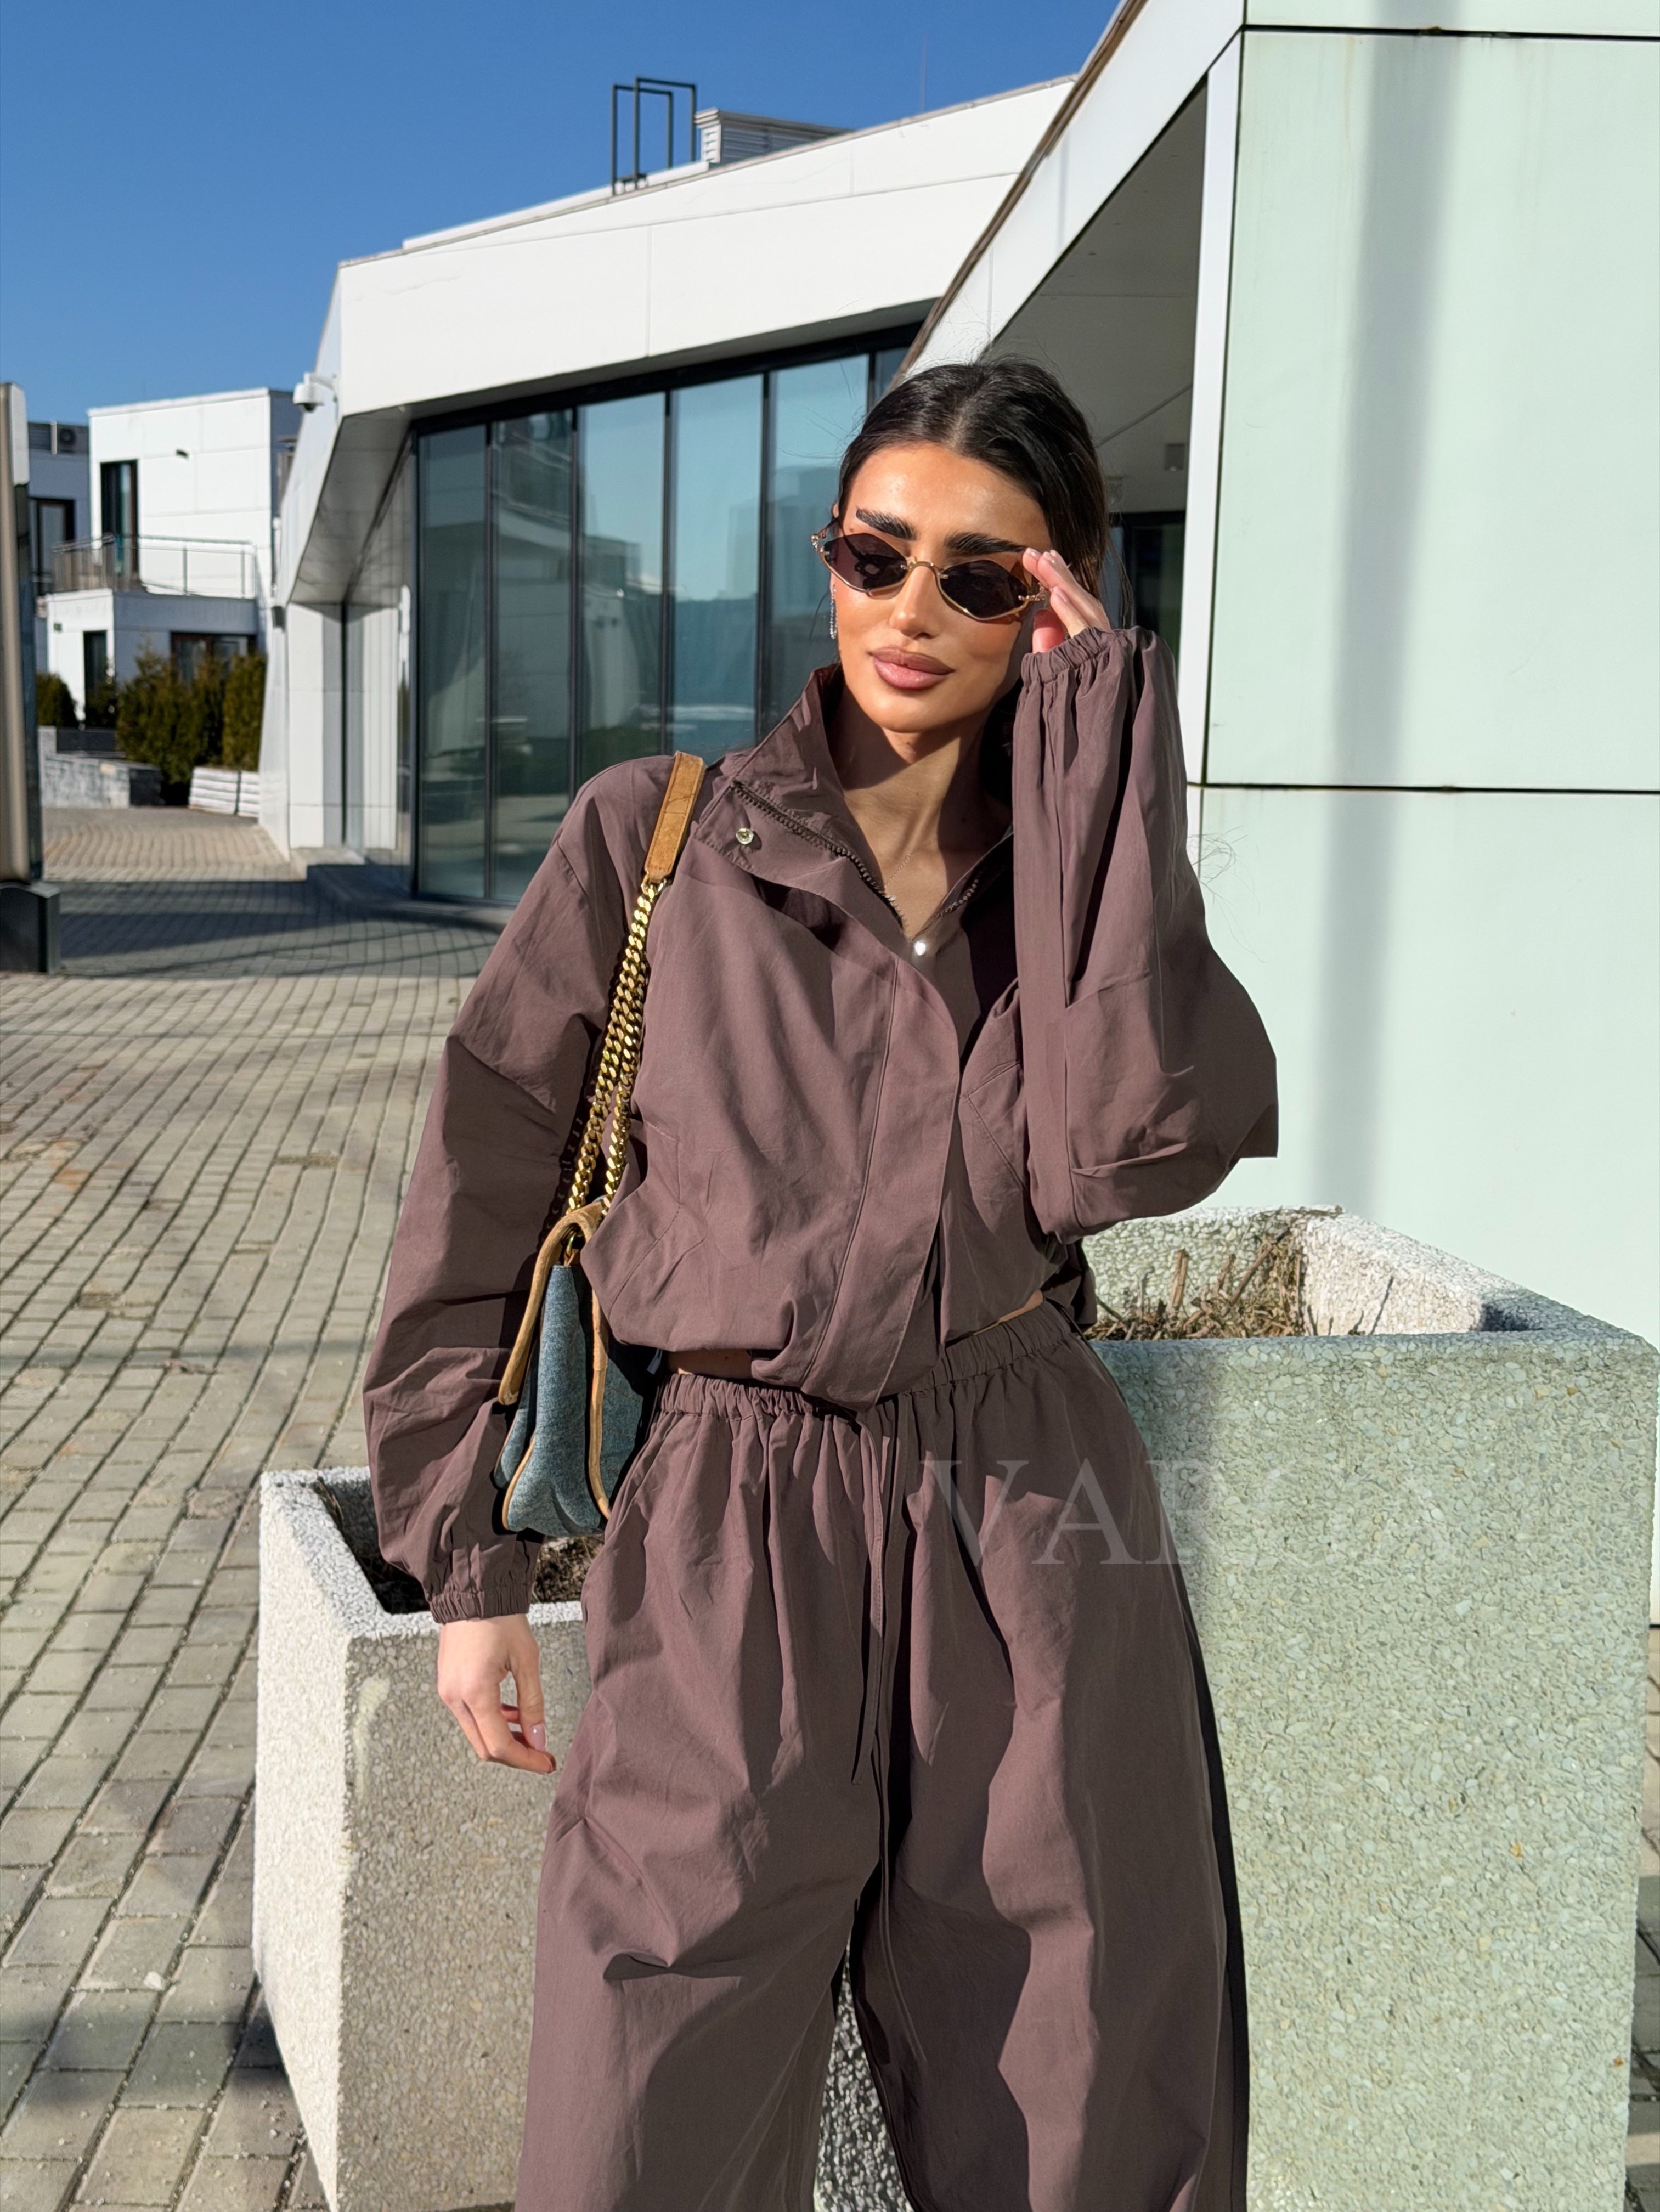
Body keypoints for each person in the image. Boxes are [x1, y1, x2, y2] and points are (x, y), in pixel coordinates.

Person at [364, 357, 1277, 2212]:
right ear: (827, 557)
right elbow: (480, 1198)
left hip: (1022, 1507)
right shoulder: (657, 837)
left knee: (1078, 2099)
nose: (912, 610)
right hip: (727, 1509)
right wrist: (472, 1570)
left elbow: (1119, 1154)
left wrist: (1099, 774)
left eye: (983, 577)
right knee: (641, 2099)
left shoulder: (1076, 882)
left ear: (1059, 606)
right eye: (877, 554)